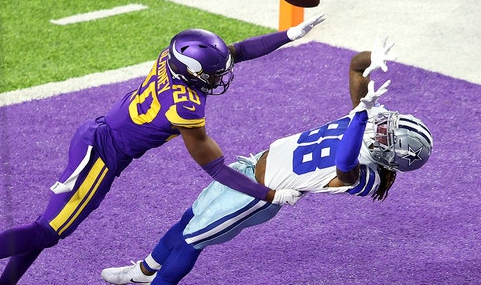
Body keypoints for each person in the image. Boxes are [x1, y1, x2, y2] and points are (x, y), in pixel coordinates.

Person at [0, 13, 326, 284]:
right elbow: (217, 168)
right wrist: (270, 192)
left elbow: (235, 51)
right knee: (49, 231)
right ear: (193, 74)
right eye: (215, 75)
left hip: (99, 137)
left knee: (46, 228)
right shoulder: (185, 107)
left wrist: (289, 35)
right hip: (102, 156)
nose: (222, 79)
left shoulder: (173, 59)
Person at [100, 38, 433, 285]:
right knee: (190, 217)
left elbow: (345, 163)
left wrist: (360, 118)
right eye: (390, 123)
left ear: (391, 157)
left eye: (388, 134)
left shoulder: (366, 178)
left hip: (259, 195)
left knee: (192, 240)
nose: (383, 125)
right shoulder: (369, 120)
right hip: (252, 166)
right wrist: (372, 57)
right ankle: (144, 272)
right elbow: (356, 67)